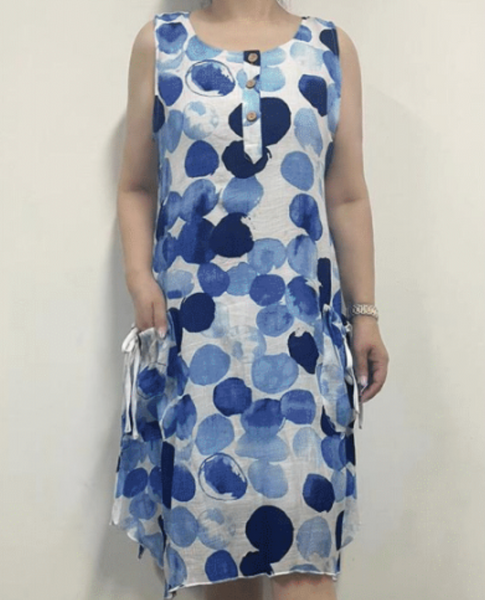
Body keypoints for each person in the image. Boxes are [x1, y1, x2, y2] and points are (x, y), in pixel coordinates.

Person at [110, 1, 389, 599]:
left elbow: (346, 194)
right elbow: (136, 185)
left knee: (306, 558)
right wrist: (139, 279)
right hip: (195, 341)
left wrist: (364, 313)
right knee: (219, 555)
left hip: (301, 346)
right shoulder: (160, 45)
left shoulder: (329, 48)